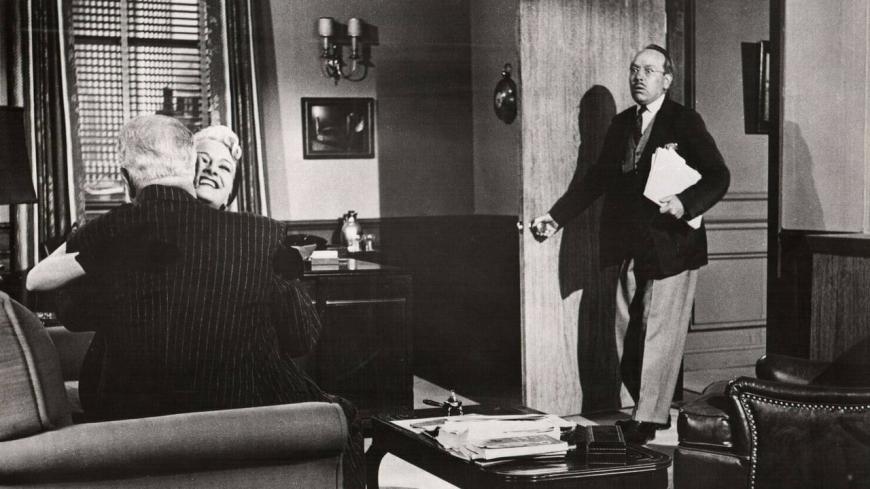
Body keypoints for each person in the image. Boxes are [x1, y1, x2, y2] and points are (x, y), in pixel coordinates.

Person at [30, 116, 363, 488]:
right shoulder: (257, 236)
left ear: (232, 190)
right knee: (342, 415)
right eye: (202, 161)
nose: (211, 172)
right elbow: (300, 338)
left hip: (146, 414)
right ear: (184, 168)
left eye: (224, 167)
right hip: (234, 410)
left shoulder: (254, 239)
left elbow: (72, 310)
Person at [531, 44, 730, 444]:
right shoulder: (622, 123)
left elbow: (718, 176)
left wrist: (685, 202)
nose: (638, 76)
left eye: (649, 70)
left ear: (666, 80)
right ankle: (648, 410)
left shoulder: (685, 121)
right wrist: (556, 217)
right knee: (625, 330)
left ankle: (648, 419)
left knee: (658, 332)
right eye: (634, 69)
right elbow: (595, 179)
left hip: (674, 246)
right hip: (631, 246)